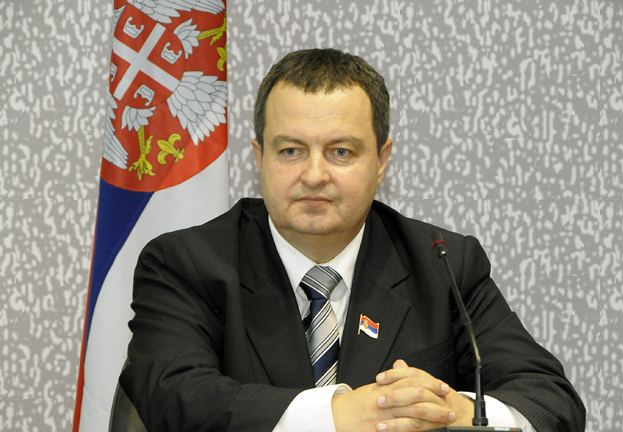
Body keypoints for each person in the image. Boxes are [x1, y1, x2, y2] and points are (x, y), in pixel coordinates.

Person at [119, 48, 585, 432]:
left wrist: (456, 411)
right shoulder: (186, 262)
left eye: (340, 152)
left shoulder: (442, 262)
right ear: (259, 157)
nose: (314, 175)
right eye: (291, 151)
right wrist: (337, 415)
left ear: (381, 161)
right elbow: (171, 396)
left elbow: (551, 402)